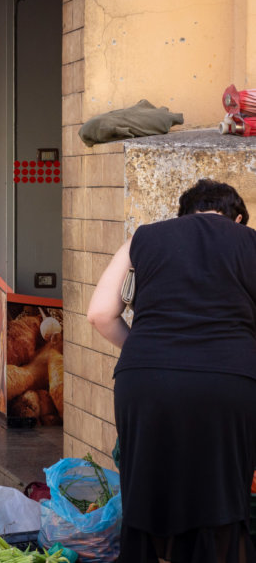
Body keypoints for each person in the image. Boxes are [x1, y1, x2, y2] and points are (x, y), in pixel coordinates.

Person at [87, 179, 256, 563]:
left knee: (145, 494)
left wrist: (149, 354)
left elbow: (99, 314)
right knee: (222, 500)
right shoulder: (250, 241)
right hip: (229, 383)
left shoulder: (144, 238)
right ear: (238, 217)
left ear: (183, 214)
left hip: (144, 381)